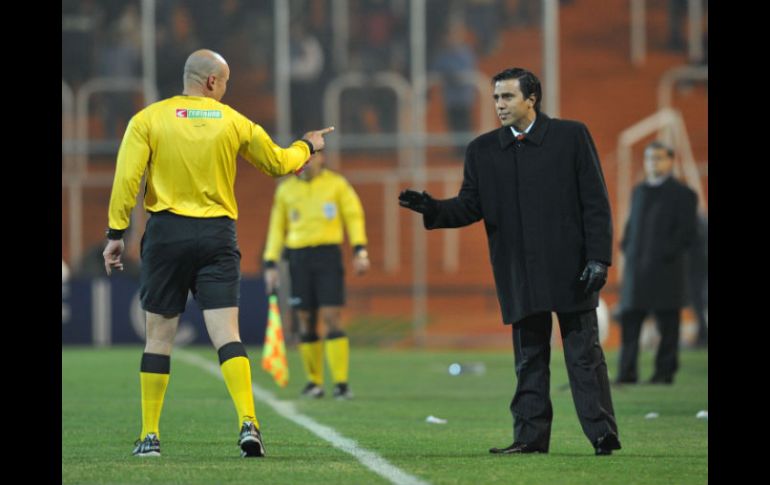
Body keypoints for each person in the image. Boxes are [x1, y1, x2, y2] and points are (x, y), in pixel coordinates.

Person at [102, 49, 335, 458]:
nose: (225, 90)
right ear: (212, 82)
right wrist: (307, 146)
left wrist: (115, 232)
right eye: (225, 82)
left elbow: (127, 178)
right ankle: (249, 422)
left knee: (158, 337)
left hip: (166, 233)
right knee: (228, 335)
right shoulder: (233, 121)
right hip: (216, 234)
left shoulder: (149, 119)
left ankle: (150, 436)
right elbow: (280, 163)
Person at [399, 67, 621, 456]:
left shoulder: (572, 136)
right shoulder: (482, 150)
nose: (499, 105)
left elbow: (596, 203)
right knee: (529, 359)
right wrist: (432, 208)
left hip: (572, 268)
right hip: (519, 270)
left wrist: (599, 259)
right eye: (496, 98)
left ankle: (602, 434)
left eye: (507, 97)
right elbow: (470, 207)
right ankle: (530, 438)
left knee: (584, 355)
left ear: (531, 99)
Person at [262, 152, 370, 399]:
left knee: (332, 315)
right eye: (304, 158)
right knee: (304, 318)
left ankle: (341, 383)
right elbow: (277, 227)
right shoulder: (286, 190)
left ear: (322, 159)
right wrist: (270, 262)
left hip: (327, 255)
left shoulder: (336, 184)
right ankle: (314, 382)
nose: (307, 162)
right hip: (298, 257)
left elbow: (353, 215)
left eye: (313, 157)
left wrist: (359, 249)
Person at [615, 141, 698, 384]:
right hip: (636, 272)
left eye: (659, 158)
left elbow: (687, 233)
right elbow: (632, 227)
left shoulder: (684, 194)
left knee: (668, 327)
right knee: (630, 324)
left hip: (666, 272)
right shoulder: (638, 191)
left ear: (670, 161)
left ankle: (664, 374)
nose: (654, 163)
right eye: (650, 158)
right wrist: (628, 248)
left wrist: (665, 253)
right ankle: (626, 373)